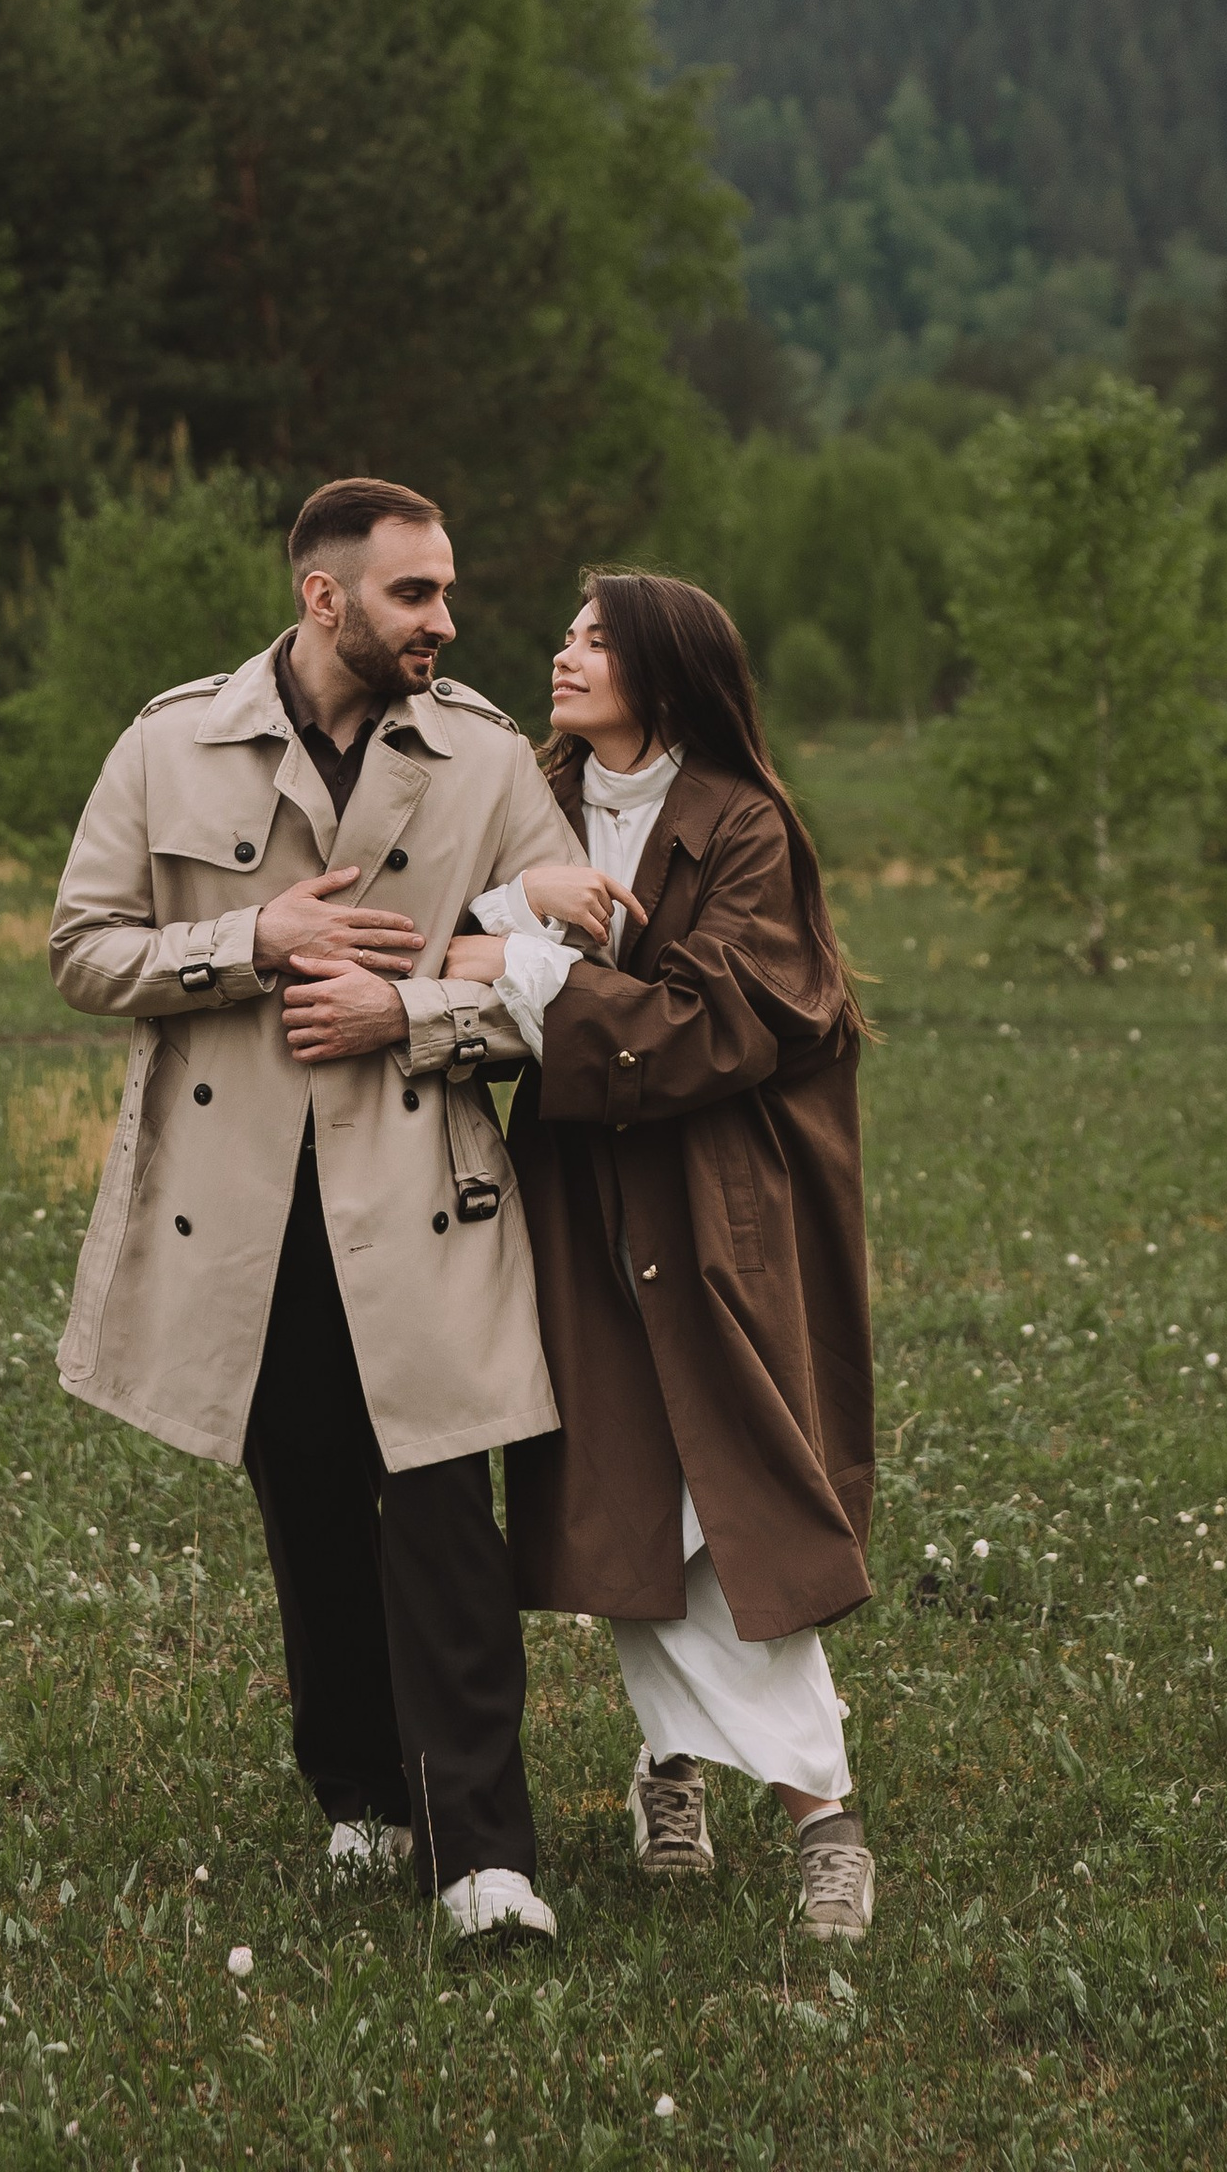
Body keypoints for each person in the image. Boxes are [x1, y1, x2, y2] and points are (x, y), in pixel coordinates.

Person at [47, 476, 575, 1943]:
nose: (447, 621)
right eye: (415, 595)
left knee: (442, 1510)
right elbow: (84, 950)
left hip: (424, 1195)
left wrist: (403, 1012)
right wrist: (252, 943)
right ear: (322, 596)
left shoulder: (483, 758)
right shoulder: (170, 745)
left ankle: (484, 1854)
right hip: (245, 1209)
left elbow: (553, 988)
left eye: (449, 592)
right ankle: (361, 1796)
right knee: (314, 1515)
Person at [444, 569, 879, 1941]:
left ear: (667, 672)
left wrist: (515, 967)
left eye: (595, 639)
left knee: (724, 1491)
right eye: (568, 634)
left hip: (718, 1205)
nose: (563, 654)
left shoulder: (746, 828)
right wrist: (498, 927)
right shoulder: (530, 799)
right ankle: (673, 1767)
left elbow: (710, 1027)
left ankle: (824, 1815)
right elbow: (438, 925)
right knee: (633, 1484)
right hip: (579, 1199)